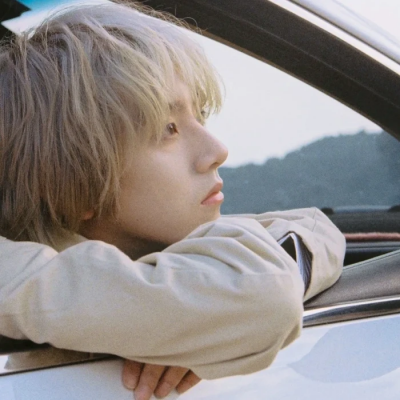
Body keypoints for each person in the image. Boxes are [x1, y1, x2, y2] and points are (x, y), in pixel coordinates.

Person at [0, 2, 345, 399]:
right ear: (75, 180)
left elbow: (317, 229)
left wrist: (187, 318)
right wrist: (196, 315)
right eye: (168, 129)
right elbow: (265, 288)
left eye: (201, 115)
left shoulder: (152, 257)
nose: (217, 150)